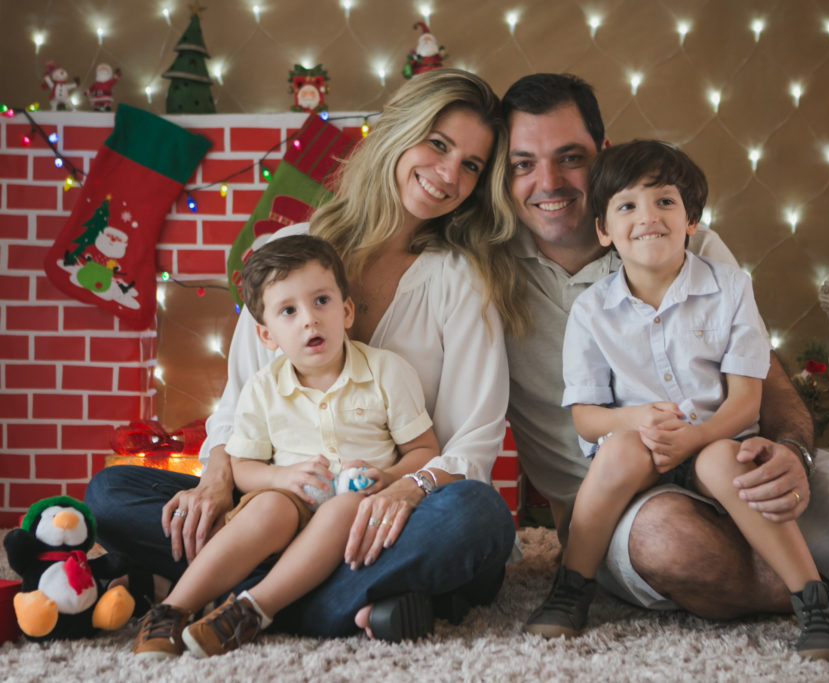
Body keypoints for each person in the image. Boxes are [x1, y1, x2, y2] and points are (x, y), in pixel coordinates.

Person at [502, 73, 829, 629]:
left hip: (731, 449)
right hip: (621, 503)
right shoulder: (485, 266)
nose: (548, 182)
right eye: (522, 163)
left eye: (570, 157)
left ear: (604, 154)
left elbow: (760, 378)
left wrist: (792, 455)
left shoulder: (689, 244)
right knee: (677, 543)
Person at [87, 68, 524, 643]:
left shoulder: (460, 280)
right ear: (398, 132)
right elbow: (239, 403)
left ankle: (274, 601)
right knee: (111, 493)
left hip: (392, 514)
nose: (448, 174)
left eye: (471, 165)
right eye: (438, 144)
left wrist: (401, 489)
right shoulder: (281, 254)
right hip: (279, 508)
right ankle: (340, 600)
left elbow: (473, 442)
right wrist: (217, 478)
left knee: (479, 516)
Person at [523, 140, 829, 659]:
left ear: (692, 218)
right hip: (640, 451)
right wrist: (637, 419)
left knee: (728, 461)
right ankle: (571, 587)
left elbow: (746, 402)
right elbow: (586, 419)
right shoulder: (592, 310)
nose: (647, 216)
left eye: (665, 201)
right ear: (605, 231)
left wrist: (697, 437)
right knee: (617, 451)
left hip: (713, 439)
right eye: (627, 205)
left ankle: (812, 597)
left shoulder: (730, 288)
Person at [131, 235, 443, 657]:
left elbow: (425, 452)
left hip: (360, 517)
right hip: (285, 514)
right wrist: (283, 477)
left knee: (422, 511)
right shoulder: (263, 389)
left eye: (321, 302)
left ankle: (251, 610)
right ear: (267, 335)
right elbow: (241, 466)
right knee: (266, 504)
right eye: (289, 311)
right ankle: (172, 609)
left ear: (346, 310)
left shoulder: (387, 372)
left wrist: (386, 478)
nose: (309, 321)